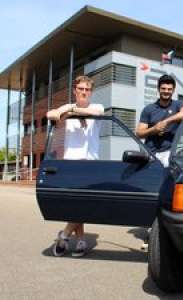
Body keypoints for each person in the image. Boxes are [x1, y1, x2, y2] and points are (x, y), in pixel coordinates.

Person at [46, 75, 104, 257]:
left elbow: (97, 114)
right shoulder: (68, 109)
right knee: (76, 203)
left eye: (87, 89)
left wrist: (71, 111)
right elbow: (50, 115)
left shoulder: (97, 107)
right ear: (75, 91)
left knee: (85, 203)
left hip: (90, 163)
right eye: (81, 89)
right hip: (71, 163)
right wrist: (67, 109)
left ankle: (63, 235)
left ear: (91, 92)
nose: (84, 92)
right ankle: (80, 240)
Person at [136, 74, 183, 166]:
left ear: (173, 90)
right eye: (163, 88)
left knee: (168, 175)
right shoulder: (148, 109)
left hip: (169, 152)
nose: (166, 91)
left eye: (169, 89)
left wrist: (166, 122)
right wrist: (154, 129)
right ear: (158, 89)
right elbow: (139, 133)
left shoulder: (178, 105)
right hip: (150, 153)